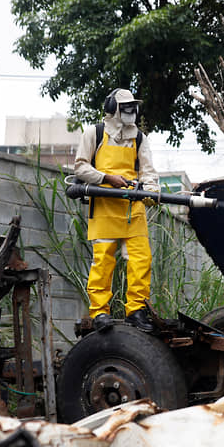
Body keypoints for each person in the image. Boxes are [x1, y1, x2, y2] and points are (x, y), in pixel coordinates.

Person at [73, 88, 160, 332]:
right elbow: (80, 167)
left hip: (134, 209)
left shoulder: (139, 138)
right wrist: (107, 178)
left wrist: (151, 192)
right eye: (126, 106)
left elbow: (149, 172)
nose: (131, 110)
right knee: (102, 262)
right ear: (113, 108)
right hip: (104, 207)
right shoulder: (95, 133)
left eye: (133, 106)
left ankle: (136, 311)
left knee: (141, 260)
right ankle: (100, 311)